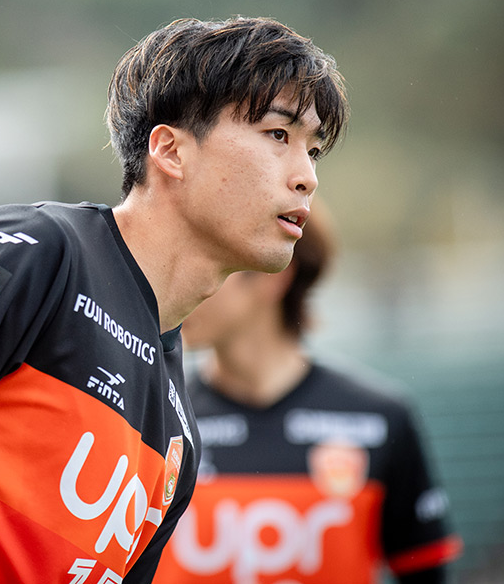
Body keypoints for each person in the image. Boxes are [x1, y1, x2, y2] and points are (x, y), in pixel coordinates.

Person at [0, 16, 349, 583]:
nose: (307, 177)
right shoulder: (36, 253)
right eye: (279, 135)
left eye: (314, 150)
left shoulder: (179, 432)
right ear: (171, 151)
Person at [152, 203, 463, 584]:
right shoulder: (155, 415)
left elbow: (426, 573)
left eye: (212, 262)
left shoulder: (380, 419)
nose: (182, 283)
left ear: (273, 274)